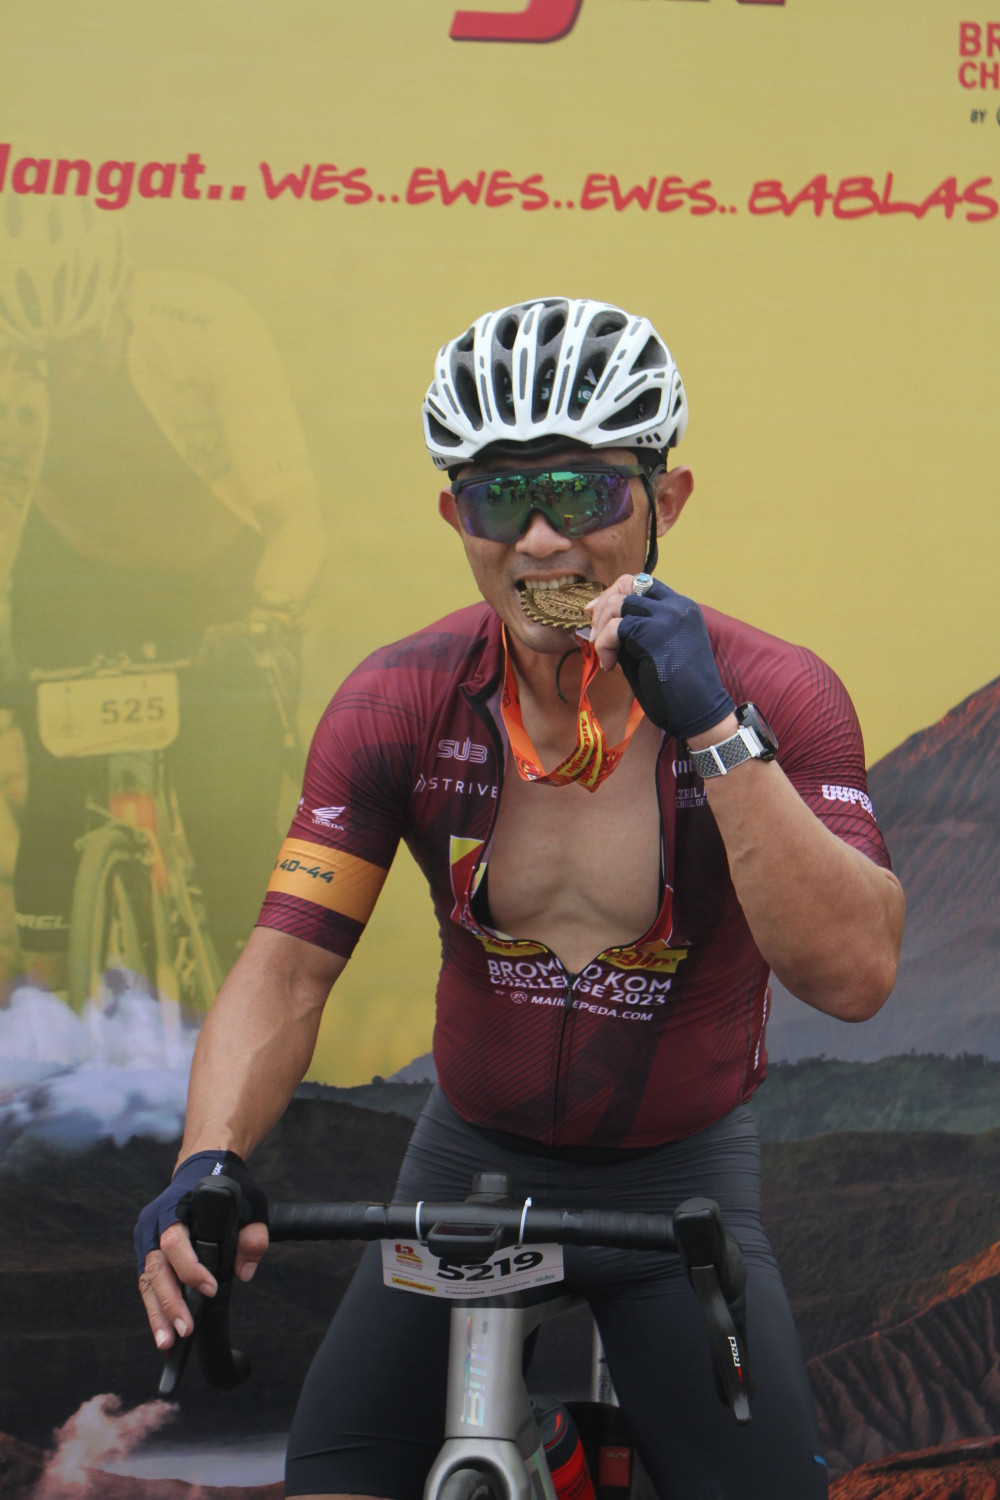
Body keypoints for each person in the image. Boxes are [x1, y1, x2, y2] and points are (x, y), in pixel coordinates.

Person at [136, 297, 905, 1498]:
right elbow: (289, 964)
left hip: (677, 1178)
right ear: (456, 518)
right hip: (467, 1170)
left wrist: (715, 728)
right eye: (501, 499)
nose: (542, 541)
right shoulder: (397, 701)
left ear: (665, 500)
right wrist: (206, 1160)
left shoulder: (779, 693)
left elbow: (853, 977)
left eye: (583, 493)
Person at [0, 193, 326, 989]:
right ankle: (49, 1011)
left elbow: (293, 511)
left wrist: (271, 609)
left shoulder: (206, 327)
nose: (68, 366)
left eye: (82, 344)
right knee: (54, 796)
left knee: (229, 811)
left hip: (213, 576)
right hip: (70, 576)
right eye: (44, 354)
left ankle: (247, 989)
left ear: (120, 300)